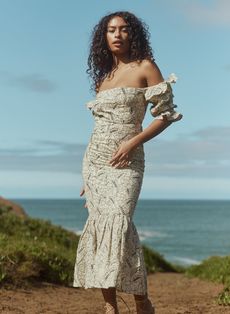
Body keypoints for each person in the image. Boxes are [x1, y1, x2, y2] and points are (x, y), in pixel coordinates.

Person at [73, 11, 183, 314]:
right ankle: (110, 307)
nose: (117, 34)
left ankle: (140, 299)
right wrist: (89, 178)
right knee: (99, 228)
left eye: (123, 29)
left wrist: (134, 142)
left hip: (128, 163)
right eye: (111, 30)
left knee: (119, 225)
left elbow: (166, 116)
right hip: (96, 163)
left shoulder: (146, 67)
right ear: (104, 37)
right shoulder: (104, 77)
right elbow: (99, 129)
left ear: (133, 34)